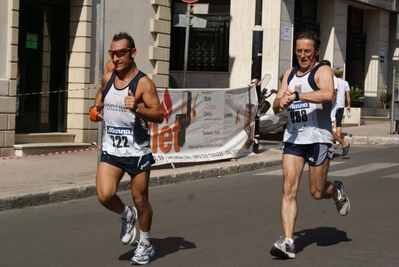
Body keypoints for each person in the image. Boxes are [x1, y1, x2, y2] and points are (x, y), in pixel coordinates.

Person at [270, 30, 350, 259]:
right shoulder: (290, 73)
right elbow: (275, 106)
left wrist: (296, 96)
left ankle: (335, 191)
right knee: (288, 188)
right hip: (294, 138)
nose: (302, 56)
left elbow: (327, 95)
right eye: (298, 51)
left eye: (307, 51)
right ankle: (288, 242)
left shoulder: (322, 70)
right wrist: (281, 101)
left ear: (316, 51)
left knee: (316, 191)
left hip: (319, 138)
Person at [89, 32, 164, 265]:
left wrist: (138, 109)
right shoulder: (108, 75)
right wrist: (95, 110)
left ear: (132, 53)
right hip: (112, 149)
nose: (116, 57)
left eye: (121, 53)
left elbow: (160, 115)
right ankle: (126, 214)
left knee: (140, 199)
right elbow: (100, 96)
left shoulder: (143, 83)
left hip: (137, 151)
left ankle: (145, 243)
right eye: (113, 53)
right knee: (104, 195)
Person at [321, 60, 350, 156]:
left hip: (330, 107)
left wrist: (327, 106)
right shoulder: (321, 77)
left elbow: (334, 94)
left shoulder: (333, 79)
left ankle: (343, 143)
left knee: (327, 128)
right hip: (322, 107)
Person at [334, 67, 351, 140]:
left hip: (333, 104)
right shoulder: (345, 83)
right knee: (339, 122)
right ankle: (338, 139)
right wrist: (348, 105)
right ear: (342, 74)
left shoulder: (333, 81)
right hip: (341, 104)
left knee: (333, 121)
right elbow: (347, 95)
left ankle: (333, 138)